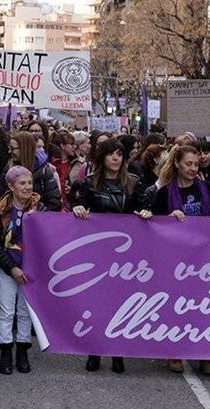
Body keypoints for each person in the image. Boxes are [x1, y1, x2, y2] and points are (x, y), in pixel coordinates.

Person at [68, 138, 140, 374]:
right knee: (95, 304)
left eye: (120, 154)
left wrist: (146, 212)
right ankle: (94, 350)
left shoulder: (134, 183)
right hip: (97, 254)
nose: (116, 158)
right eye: (111, 154)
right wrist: (77, 208)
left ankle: (118, 352)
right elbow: (74, 208)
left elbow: (145, 209)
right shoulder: (88, 184)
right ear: (102, 158)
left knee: (120, 304)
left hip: (126, 256)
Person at [152, 145, 210, 376]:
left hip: (205, 259)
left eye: (196, 164)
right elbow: (153, 225)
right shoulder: (164, 194)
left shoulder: (209, 190)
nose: (193, 168)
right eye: (188, 164)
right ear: (177, 164)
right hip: (176, 259)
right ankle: (176, 351)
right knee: (178, 306)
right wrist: (168, 219)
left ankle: (205, 354)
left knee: (205, 307)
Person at [0, 165, 40, 375]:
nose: (27, 187)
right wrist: (11, 267)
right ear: (11, 186)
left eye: (29, 183)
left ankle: (23, 351)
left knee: (25, 312)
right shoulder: (1, 210)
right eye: (22, 183)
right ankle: (6, 350)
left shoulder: (40, 208)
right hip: (8, 269)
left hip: (30, 270)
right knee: (7, 311)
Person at [0, 131, 61, 211]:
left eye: (13, 148)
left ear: (24, 148)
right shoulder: (9, 168)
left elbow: (54, 203)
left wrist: (36, 213)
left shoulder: (44, 171)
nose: (9, 151)